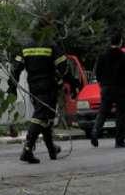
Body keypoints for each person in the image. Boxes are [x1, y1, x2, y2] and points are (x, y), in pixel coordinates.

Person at [8, 16, 79, 163]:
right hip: (48, 86)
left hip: (33, 87)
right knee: (41, 116)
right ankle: (28, 148)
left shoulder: (26, 47)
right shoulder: (51, 46)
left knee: (47, 117)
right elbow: (64, 68)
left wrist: (12, 87)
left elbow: (16, 69)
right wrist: (73, 83)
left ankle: (51, 148)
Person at [90, 31, 125, 148]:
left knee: (103, 111)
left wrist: (101, 87)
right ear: (120, 42)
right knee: (120, 115)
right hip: (120, 89)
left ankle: (96, 129)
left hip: (106, 88)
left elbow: (98, 73)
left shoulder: (102, 56)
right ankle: (119, 141)